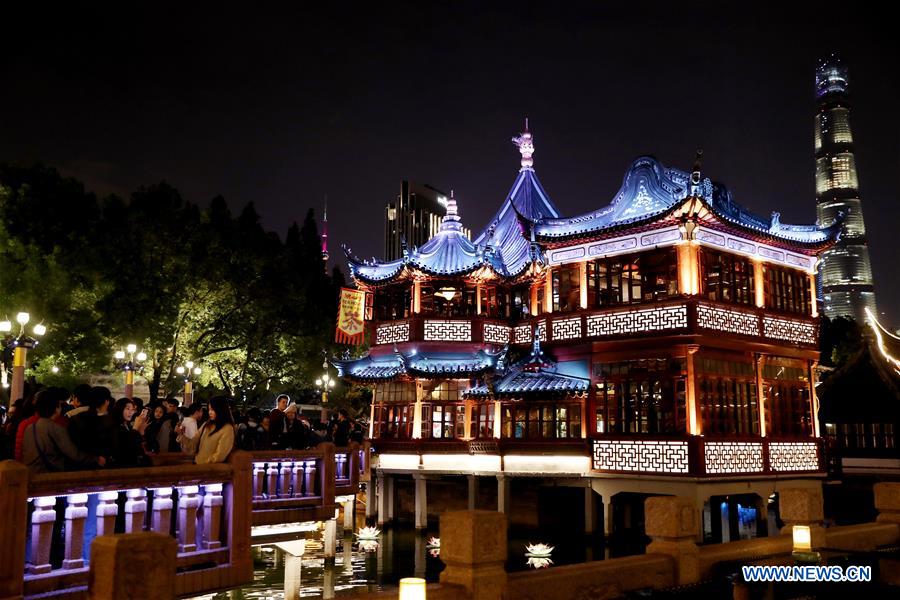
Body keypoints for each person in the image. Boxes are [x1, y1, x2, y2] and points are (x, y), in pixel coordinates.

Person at [21, 388, 105, 473]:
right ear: (56, 408)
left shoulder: (30, 427)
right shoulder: (56, 428)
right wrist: (95, 459)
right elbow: (73, 453)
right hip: (47, 474)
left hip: (30, 472)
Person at [109, 398, 150, 467]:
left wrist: (140, 432)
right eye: (128, 409)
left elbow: (136, 446)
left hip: (133, 463)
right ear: (120, 409)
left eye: (132, 409)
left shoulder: (127, 425)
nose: (131, 412)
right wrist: (135, 428)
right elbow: (124, 449)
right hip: (122, 466)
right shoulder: (115, 426)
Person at [194, 396, 235, 464]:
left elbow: (220, 455)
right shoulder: (206, 425)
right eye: (209, 409)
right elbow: (193, 442)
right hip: (198, 465)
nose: (210, 412)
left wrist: (204, 462)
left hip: (210, 469)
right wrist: (181, 435)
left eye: (212, 410)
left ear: (220, 410)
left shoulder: (227, 429)